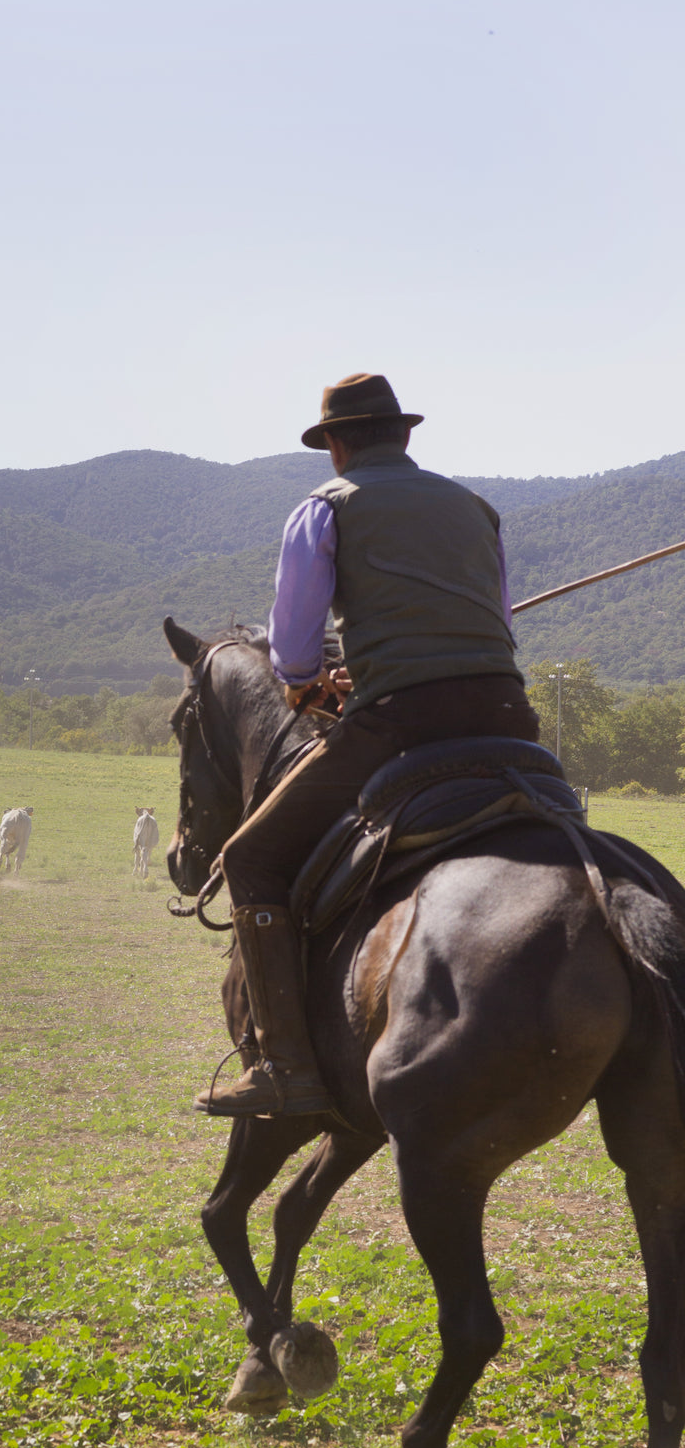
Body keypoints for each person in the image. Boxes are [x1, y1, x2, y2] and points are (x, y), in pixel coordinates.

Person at [195, 372, 540, 1119]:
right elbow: (501, 627)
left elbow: (290, 643)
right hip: (511, 719)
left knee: (248, 858)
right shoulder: (475, 508)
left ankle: (282, 1067)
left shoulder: (324, 510)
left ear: (336, 445)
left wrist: (307, 681)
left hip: (400, 721)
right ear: (406, 435)